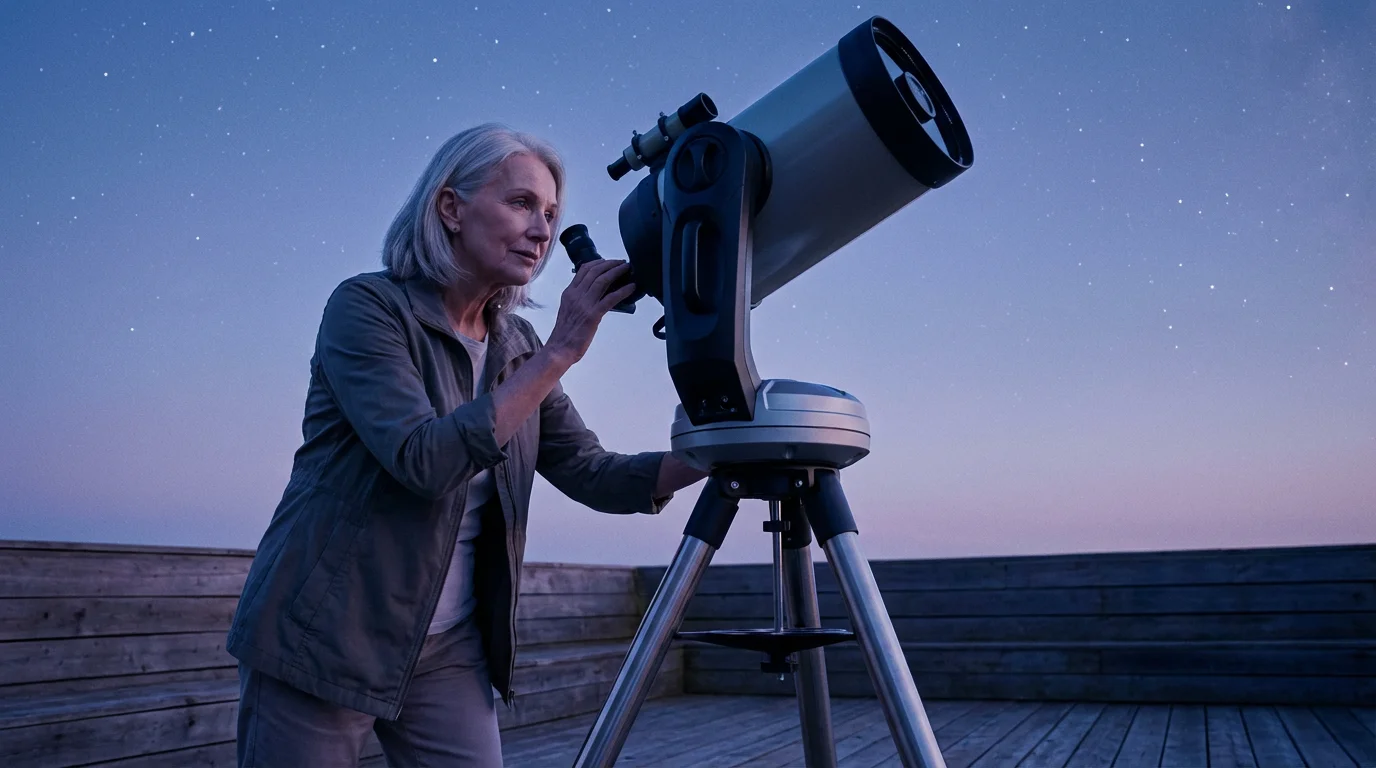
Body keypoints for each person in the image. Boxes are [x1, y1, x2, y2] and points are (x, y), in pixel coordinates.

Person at [226, 123, 708, 767]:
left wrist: (711, 454)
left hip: (447, 646)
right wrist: (564, 349)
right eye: (520, 204)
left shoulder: (517, 349)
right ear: (450, 208)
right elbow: (424, 461)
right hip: (325, 635)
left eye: (551, 213)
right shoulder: (368, 309)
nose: (542, 230)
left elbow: (591, 471)